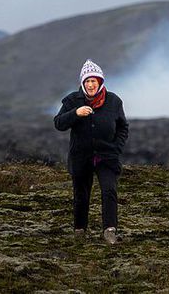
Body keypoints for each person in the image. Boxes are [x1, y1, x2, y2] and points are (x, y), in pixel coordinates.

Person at [54, 59, 129, 244]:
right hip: (81, 157)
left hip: (107, 156)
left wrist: (117, 148)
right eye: (87, 81)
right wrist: (75, 113)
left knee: (109, 190)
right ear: (82, 83)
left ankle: (109, 231)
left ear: (100, 82)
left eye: (94, 81)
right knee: (81, 195)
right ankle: (80, 231)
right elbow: (59, 123)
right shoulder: (72, 100)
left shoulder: (113, 101)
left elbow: (123, 127)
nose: (90, 84)